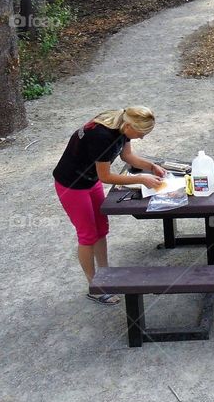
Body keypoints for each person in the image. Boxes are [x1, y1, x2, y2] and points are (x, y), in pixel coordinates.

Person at [53, 106, 165, 305]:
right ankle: (95, 286)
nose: (142, 138)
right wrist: (141, 179)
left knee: (101, 229)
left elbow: (127, 157)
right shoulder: (101, 136)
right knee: (87, 235)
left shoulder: (123, 126)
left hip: (90, 180)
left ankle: (105, 274)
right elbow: (106, 176)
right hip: (72, 185)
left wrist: (151, 166)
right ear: (129, 125)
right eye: (140, 134)